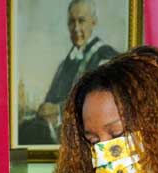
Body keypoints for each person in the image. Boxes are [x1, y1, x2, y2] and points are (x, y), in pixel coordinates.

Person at [34, 0, 119, 139]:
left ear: (94, 22)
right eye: (71, 22)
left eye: (81, 21)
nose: (76, 28)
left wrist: (58, 111)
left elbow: (105, 109)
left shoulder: (106, 58)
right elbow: (50, 98)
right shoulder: (64, 65)